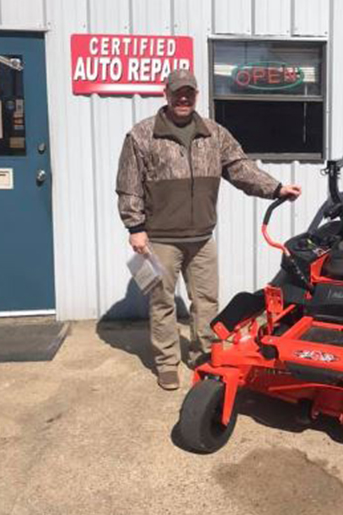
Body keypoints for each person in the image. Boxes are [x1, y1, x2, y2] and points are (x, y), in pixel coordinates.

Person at [116, 69, 301, 391]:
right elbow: (128, 186)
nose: (183, 98)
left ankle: (203, 356)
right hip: (160, 239)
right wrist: (135, 227)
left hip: (202, 237)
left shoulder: (214, 134)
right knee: (161, 303)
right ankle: (167, 363)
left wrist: (276, 188)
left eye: (189, 92)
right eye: (177, 92)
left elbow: (241, 168)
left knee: (206, 301)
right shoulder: (142, 135)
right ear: (166, 93)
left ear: (196, 95)